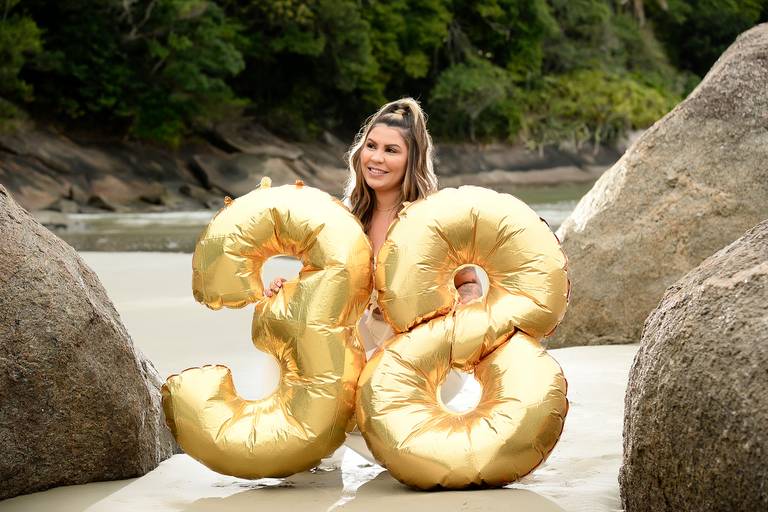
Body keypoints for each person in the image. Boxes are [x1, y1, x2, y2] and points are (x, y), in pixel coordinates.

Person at [266, 98, 482, 462]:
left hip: (423, 355)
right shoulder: (349, 216)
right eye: (372, 146)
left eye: (391, 150)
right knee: (290, 347)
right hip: (368, 337)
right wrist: (288, 291)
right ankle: (314, 456)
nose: (377, 158)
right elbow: (321, 282)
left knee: (352, 402)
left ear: (411, 160)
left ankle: (399, 443)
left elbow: (470, 283)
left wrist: (466, 305)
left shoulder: (434, 216)